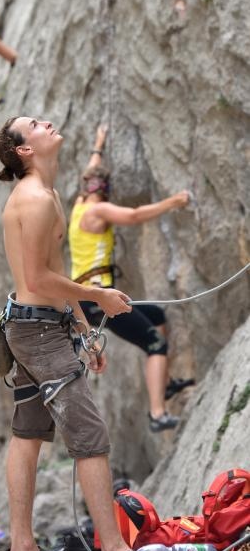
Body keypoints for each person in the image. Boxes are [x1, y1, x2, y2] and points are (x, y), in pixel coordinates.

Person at [0, 116, 170, 551]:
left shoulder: (48, 195)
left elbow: (54, 269)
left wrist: (82, 328)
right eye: (35, 124)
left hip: (37, 326)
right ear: (25, 150)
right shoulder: (33, 200)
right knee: (90, 436)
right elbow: (36, 279)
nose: (47, 123)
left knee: (28, 433)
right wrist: (99, 298)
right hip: (37, 333)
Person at [68, 125, 193, 432]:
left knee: (157, 315)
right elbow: (135, 217)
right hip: (95, 298)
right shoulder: (99, 211)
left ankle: (163, 384)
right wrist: (174, 202)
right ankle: (157, 414)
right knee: (155, 343)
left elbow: (91, 170)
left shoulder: (79, 205)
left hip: (90, 296)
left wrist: (99, 142)